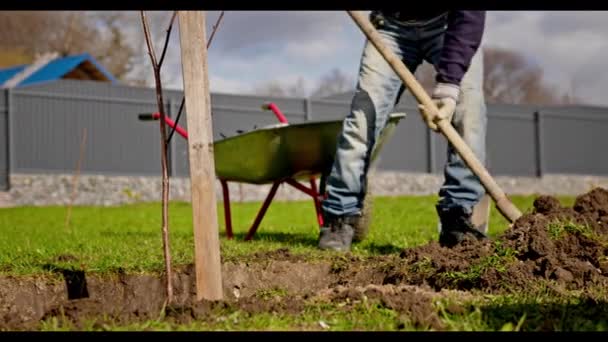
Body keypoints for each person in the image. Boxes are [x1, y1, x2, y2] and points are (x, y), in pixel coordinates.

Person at [318, 10, 488, 251]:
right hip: (388, 27)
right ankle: (340, 215)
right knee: (362, 120)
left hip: (448, 25)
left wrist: (449, 87)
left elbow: (469, 16)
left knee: (468, 111)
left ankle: (459, 217)